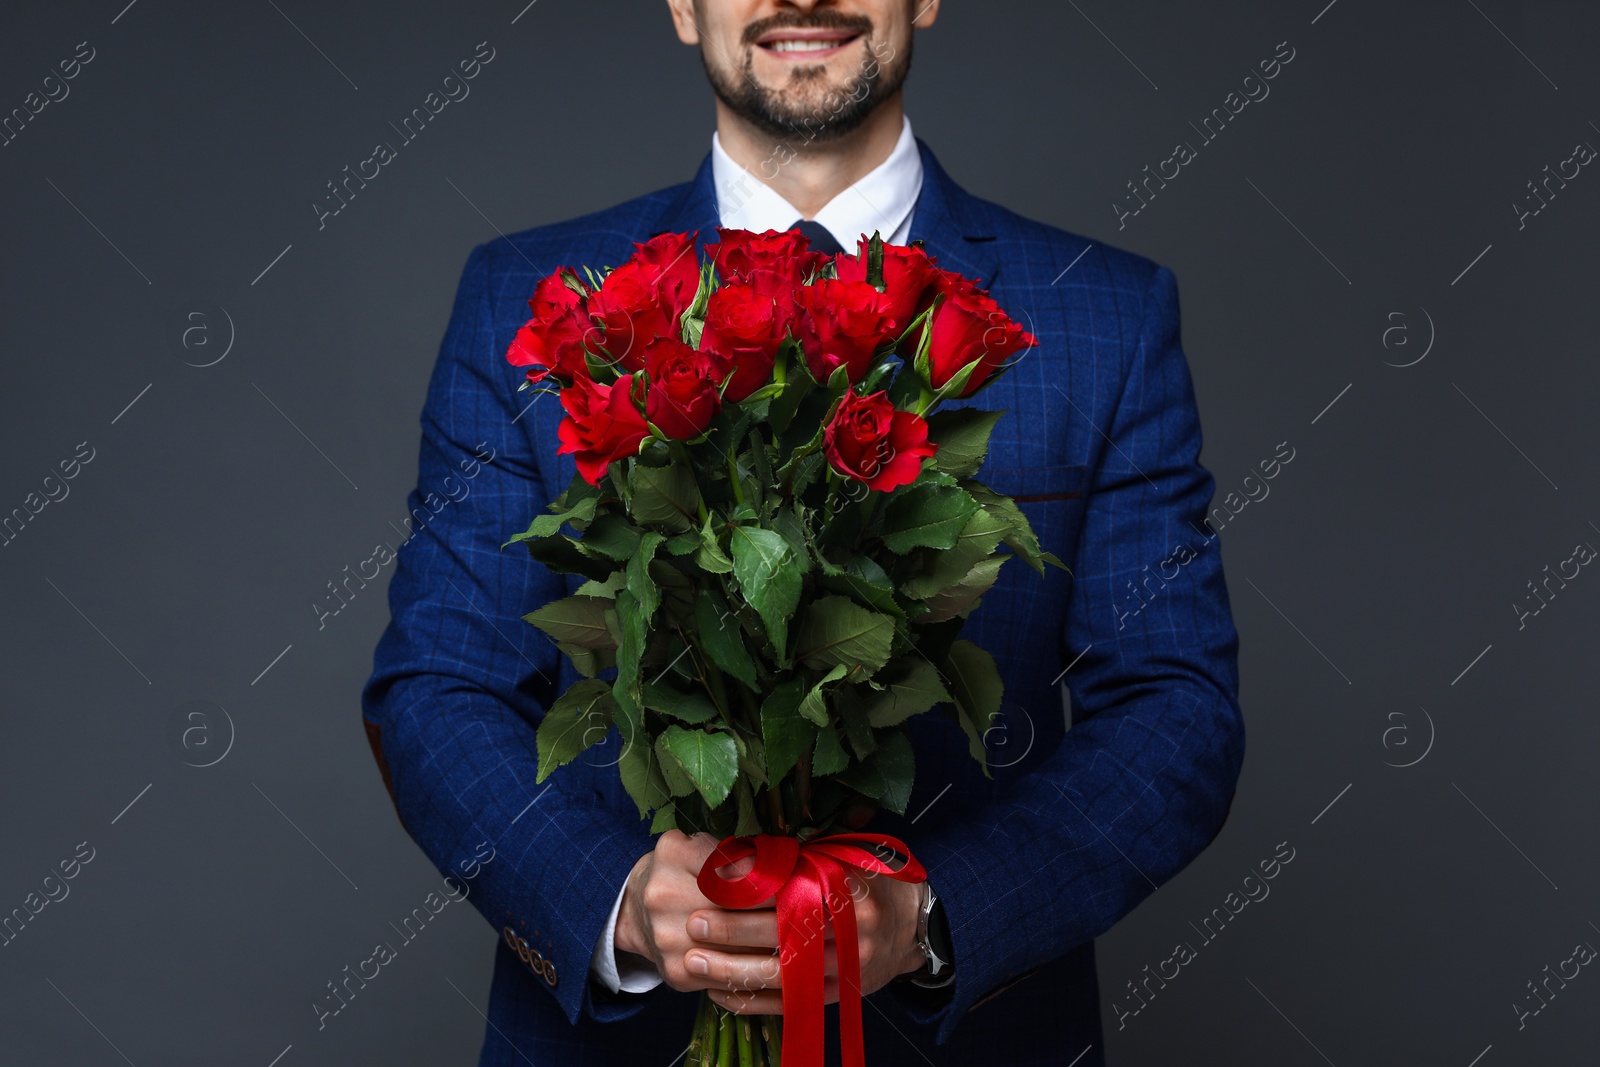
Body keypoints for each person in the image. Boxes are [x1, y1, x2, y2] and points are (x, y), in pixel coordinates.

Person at [361, 2, 1245, 1064]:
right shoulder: (531, 298)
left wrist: (928, 915)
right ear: (683, 8)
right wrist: (626, 903)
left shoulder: (1105, 315)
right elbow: (437, 687)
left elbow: (1174, 706)